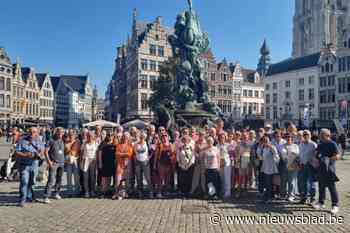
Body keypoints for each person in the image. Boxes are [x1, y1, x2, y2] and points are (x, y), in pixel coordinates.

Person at [14, 127, 44, 207]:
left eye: (34, 132)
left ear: (37, 133)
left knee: (32, 182)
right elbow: (16, 152)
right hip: (24, 165)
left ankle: (30, 196)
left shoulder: (39, 141)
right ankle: (22, 200)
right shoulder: (22, 140)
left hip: (34, 164)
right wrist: (25, 154)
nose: (32, 133)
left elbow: (42, 150)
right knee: (24, 182)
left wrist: (39, 153)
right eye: (30, 132)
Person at [313, 129, 341, 214]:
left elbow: (338, 155)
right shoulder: (320, 144)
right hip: (321, 169)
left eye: (321, 135)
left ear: (327, 135)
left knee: (331, 187)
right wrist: (316, 159)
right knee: (321, 186)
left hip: (329, 169)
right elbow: (316, 154)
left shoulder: (332, 144)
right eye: (320, 135)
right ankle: (321, 202)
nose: (320, 136)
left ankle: (335, 205)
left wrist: (328, 159)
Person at [43, 127, 65, 204]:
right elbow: (45, 152)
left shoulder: (62, 140)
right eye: (59, 132)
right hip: (54, 163)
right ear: (56, 132)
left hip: (61, 163)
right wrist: (49, 162)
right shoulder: (51, 140)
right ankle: (46, 196)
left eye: (62, 133)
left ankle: (56, 193)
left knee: (59, 179)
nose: (60, 134)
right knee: (51, 180)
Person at [258, 136, 279, 203]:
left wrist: (275, 163)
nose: (265, 142)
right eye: (264, 141)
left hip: (271, 168)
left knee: (269, 184)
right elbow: (262, 158)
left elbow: (277, 157)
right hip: (265, 168)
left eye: (266, 141)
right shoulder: (264, 148)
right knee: (267, 183)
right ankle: (267, 197)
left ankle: (269, 198)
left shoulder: (272, 147)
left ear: (269, 141)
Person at [298, 130, 317, 204]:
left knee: (311, 182)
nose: (305, 136)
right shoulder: (301, 144)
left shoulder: (313, 144)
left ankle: (313, 198)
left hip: (310, 165)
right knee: (303, 182)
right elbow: (300, 154)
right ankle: (304, 198)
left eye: (307, 134)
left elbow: (316, 155)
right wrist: (300, 163)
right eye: (304, 134)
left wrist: (313, 162)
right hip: (302, 165)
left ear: (310, 135)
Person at [113, 132, 133, 200]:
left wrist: (121, 154)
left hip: (127, 164)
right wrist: (124, 154)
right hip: (120, 165)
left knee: (126, 180)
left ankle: (124, 193)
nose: (125, 138)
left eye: (127, 137)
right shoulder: (119, 145)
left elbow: (129, 154)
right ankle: (116, 193)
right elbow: (116, 154)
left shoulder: (130, 145)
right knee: (118, 179)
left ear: (128, 138)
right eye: (124, 136)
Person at [280, 134, 300, 202]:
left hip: (292, 165)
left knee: (291, 181)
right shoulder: (282, 146)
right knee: (283, 180)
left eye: (290, 137)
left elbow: (297, 155)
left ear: (292, 139)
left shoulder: (295, 146)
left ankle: (291, 195)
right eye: (287, 137)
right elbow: (281, 155)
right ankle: (283, 194)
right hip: (284, 165)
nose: (288, 139)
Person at [134, 132, 153, 198]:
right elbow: (134, 153)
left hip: (145, 163)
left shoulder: (147, 143)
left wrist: (149, 158)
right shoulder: (136, 144)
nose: (142, 138)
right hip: (137, 163)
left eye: (143, 137)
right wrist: (135, 159)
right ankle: (140, 192)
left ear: (145, 137)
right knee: (139, 178)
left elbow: (152, 151)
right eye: (141, 136)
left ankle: (150, 191)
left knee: (148, 178)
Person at [155, 134, 175, 198]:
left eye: (166, 137)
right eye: (163, 137)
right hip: (161, 164)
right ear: (161, 138)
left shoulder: (171, 145)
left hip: (168, 164)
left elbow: (173, 154)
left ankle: (165, 191)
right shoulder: (159, 145)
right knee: (160, 179)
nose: (164, 138)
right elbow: (156, 155)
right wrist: (154, 165)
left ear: (168, 138)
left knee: (167, 179)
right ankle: (159, 192)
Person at [176, 131, 195, 197]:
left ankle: (188, 192)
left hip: (190, 166)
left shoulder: (191, 147)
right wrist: (181, 165)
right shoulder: (180, 147)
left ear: (188, 140)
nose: (185, 141)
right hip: (182, 166)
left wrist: (188, 165)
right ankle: (182, 192)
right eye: (183, 140)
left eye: (186, 140)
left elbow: (193, 156)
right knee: (182, 180)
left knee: (189, 179)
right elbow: (178, 156)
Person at [80, 132, 99, 198]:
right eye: (88, 136)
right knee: (85, 177)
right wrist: (80, 161)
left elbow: (97, 153)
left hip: (93, 161)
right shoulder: (84, 143)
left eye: (91, 136)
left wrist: (97, 162)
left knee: (92, 177)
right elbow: (81, 153)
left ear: (93, 136)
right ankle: (86, 192)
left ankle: (92, 191)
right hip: (85, 161)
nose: (90, 137)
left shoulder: (96, 143)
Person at [98, 133, 116, 198]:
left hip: (111, 164)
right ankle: (103, 192)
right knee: (104, 178)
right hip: (104, 163)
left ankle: (107, 190)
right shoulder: (102, 144)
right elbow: (99, 154)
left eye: (111, 135)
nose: (110, 137)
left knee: (109, 178)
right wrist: (100, 163)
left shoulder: (114, 145)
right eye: (109, 135)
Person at [190, 130, 207, 197]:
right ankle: (192, 191)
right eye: (200, 135)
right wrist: (197, 157)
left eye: (202, 135)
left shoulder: (206, 143)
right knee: (195, 177)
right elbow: (194, 152)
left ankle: (204, 191)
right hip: (197, 162)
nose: (201, 136)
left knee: (203, 177)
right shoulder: (196, 142)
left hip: (204, 162)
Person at [65, 130, 81, 197]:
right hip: (68, 160)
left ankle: (77, 191)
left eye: (72, 135)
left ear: (75, 136)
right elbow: (65, 151)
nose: (71, 136)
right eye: (70, 135)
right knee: (68, 176)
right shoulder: (66, 142)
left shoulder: (77, 142)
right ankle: (69, 192)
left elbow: (79, 151)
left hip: (75, 160)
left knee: (76, 176)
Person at [217, 132, 231, 199]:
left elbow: (231, 155)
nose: (222, 139)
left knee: (227, 178)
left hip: (227, 163)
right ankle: (222, 191)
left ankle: (227, 192)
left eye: (223, 137)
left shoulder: (228, 145)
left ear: (225, 138)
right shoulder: (217, 145)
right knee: (221, 178)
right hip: (219, 163)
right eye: (220, 137)